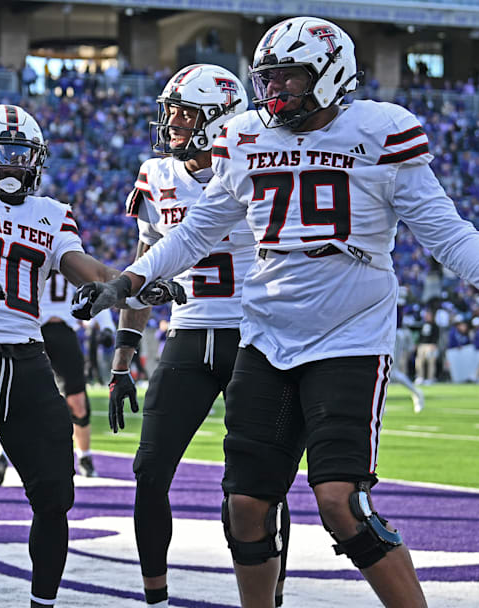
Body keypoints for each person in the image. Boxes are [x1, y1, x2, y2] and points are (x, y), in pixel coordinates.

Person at [71, 17, 479, 608]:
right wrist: (130, 280)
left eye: (290, 80)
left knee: (340, 502)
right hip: (266, 333)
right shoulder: (247, 136)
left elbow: (446, 232)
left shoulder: (381, 132)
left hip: (349, 335)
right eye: (267, 80)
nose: (274, 94)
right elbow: (198, 230)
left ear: (331, 76)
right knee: (247, 505)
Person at [0, 103, 179, 608]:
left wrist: (132, 284)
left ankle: (43, 602)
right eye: (4, 154)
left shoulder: (51, 213)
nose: (16, 165)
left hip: (27, 358)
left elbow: (76, 263)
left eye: (24, 154)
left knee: (55, 497)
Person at [102, 63, 289, 608]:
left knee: (256, 487)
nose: (174, 123)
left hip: (254, 336)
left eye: (186, 113)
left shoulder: (260, 165)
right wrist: (123, 356)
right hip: (187, 332)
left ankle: (267, 598)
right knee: (149, 469)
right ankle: (156, 598)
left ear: (220, 118)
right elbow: (146, 263)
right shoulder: (157, 175)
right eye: (172, 111)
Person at [0, 273, 107, 485]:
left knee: (77, 402)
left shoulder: (70, 252)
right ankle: (2, 457)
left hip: (64, 332)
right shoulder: (33, 246)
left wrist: (105, 326)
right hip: (31, 330)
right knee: (20, 399)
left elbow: (94, 286)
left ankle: (85, 456)